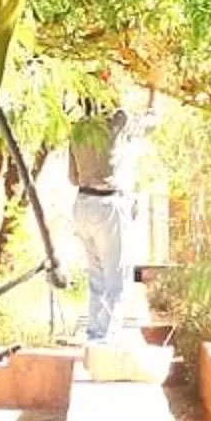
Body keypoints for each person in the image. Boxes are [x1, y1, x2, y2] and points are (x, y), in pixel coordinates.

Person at [67, 101, 129, 343]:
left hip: (82, 204)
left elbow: (72, 178)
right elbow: (124, 114)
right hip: (106, 205)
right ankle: (110, 333)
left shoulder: (76, 131)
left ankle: (94, 330)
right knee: (116, 273)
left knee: (95, 274)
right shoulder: (112, 127)